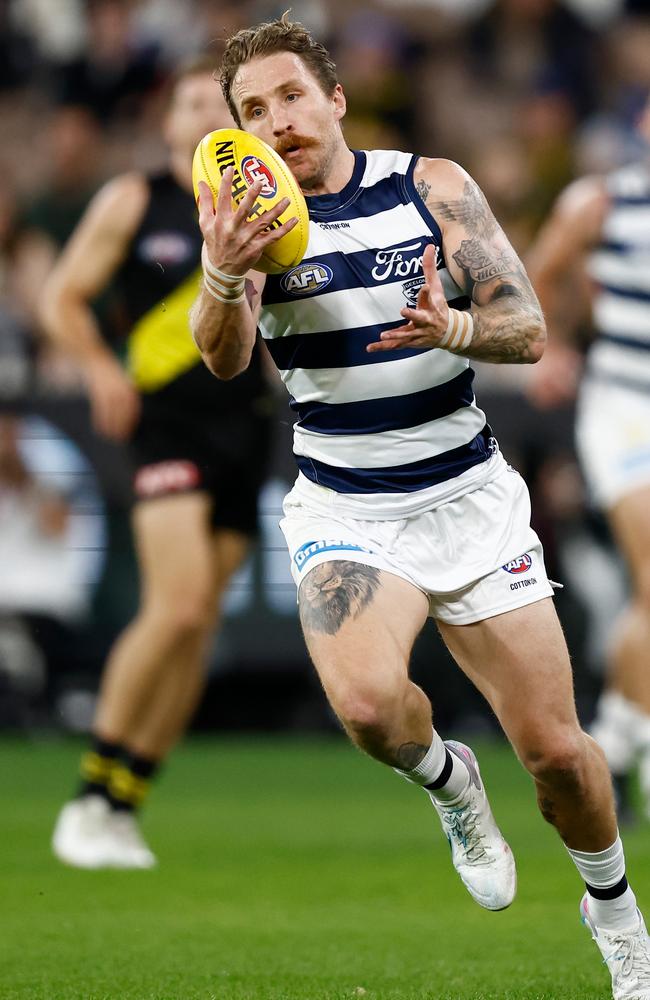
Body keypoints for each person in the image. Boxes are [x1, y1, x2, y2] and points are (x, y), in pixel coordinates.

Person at [189, 16, 650, 999]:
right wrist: (223, 270)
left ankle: (612, 912)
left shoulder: (428, 185)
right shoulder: (251, 223)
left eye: (290, 97)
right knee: (364, 708)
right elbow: (223, 357)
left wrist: (450, 323)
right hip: (346, 506)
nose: (276, 121)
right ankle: (450, 783)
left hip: (466, 496)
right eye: (253, 111)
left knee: (560, 761)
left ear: (336, 98)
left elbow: (524, 326)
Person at [39, 55, 273, 869]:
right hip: (166, 427)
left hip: (248, 430)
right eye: (190, 104)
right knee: (174, 608)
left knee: (199, 626)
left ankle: (125, 801)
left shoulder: (266, 210)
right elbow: (61, 296)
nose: (206, 116)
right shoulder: (136, 200)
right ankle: (89, 793)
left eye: (223, 105)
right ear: (167, 121)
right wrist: (102, 368)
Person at [526, 92, 650, 824]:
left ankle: (620, 737)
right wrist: (558, 346)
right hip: (626, 408)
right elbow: (540, 269)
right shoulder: (602, 201)